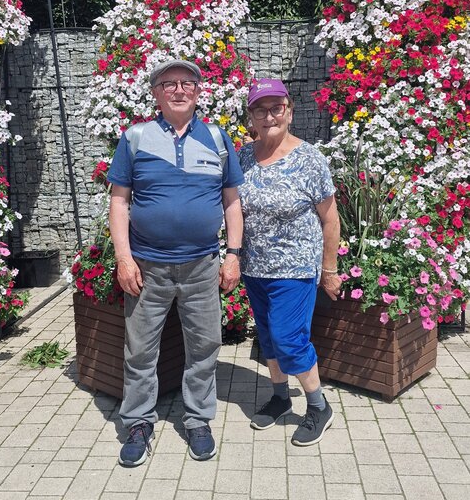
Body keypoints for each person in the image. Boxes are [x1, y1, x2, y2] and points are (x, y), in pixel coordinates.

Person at [107, 57, 244, 467]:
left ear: (199, 92)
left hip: (202, 265)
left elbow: (232, 203)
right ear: (156, 93)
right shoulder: (136, 138)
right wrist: (123, 258)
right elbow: (119, 202)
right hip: (147, 267)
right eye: (169, 84)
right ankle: (137, 423)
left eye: (187, 83)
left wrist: (233, 255)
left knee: (205, 347)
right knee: (139, 350)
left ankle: (198, 420)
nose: (179, 90)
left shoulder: (217, 138)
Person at [238, 78, 342, 446]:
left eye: (276, 108)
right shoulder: (243, 157)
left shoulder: (309, 159)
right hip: (254, 267)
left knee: (288, 338)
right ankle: (281, 397)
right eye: (260, 110)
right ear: (251, 117)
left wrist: (329, 269)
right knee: (268, 336)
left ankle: (318, 407)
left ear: (289, 112)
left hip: (295, 269)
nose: (269, 116)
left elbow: (330, 218)